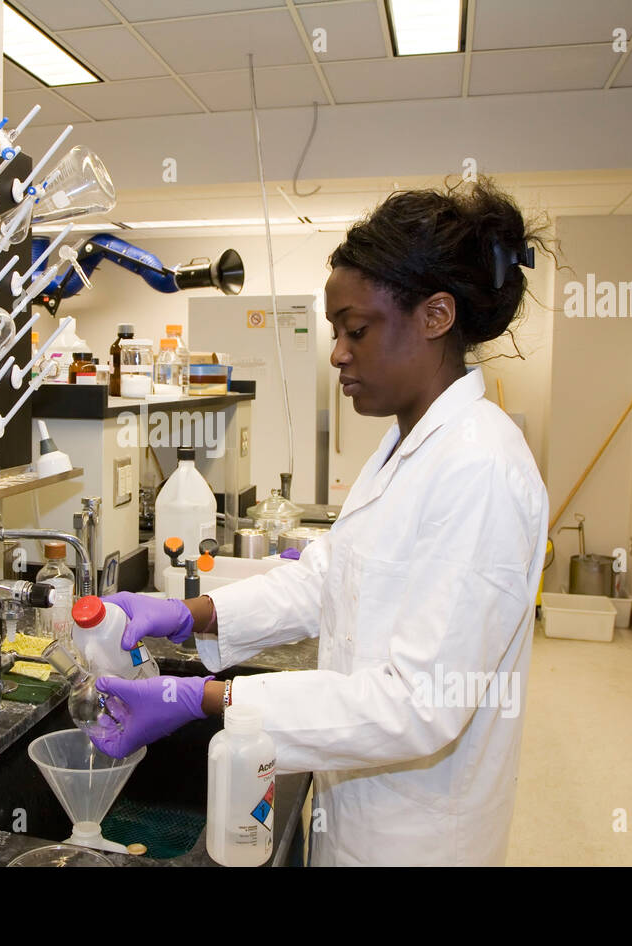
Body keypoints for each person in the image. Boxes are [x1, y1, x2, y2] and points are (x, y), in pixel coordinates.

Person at [91, 178, 551, 866]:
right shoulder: (405, 446)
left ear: (435, 316)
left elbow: (419, 708)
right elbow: (325, 580)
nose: (337, 351)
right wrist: (190, 614)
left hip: (415, 840)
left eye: (355, 329)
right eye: (336, 330)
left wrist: (203, 697)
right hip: (361, 810)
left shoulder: (480, 468)